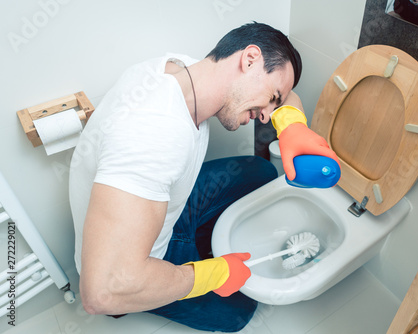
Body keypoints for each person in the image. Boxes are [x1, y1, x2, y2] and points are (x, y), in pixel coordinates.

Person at [69, 22, 338, 332]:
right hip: (134, 265)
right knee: (238, 311)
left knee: (260, 172)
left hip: (163, 209)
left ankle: (197, 241)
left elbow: (286, 98)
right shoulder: (153, 133)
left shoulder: (182, 70)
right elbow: (102, 292)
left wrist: (291, 124)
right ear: (249, 59)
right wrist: (213, 274)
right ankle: (191, 255)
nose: (267, 116)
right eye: (273, 98)